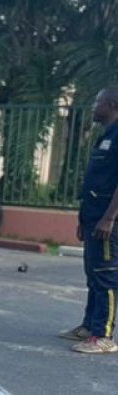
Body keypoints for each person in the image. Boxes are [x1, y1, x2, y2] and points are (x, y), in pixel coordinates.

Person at [60, 88, 118, 354]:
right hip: (93, 216)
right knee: (93, 275)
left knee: (106, 275)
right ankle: (88, 326)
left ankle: (103, 335)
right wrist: (84, 219)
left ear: (111, 105)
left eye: (97, 102)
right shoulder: (105, 136)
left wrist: (109, 218)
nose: (93, 107)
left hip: (108, 220)